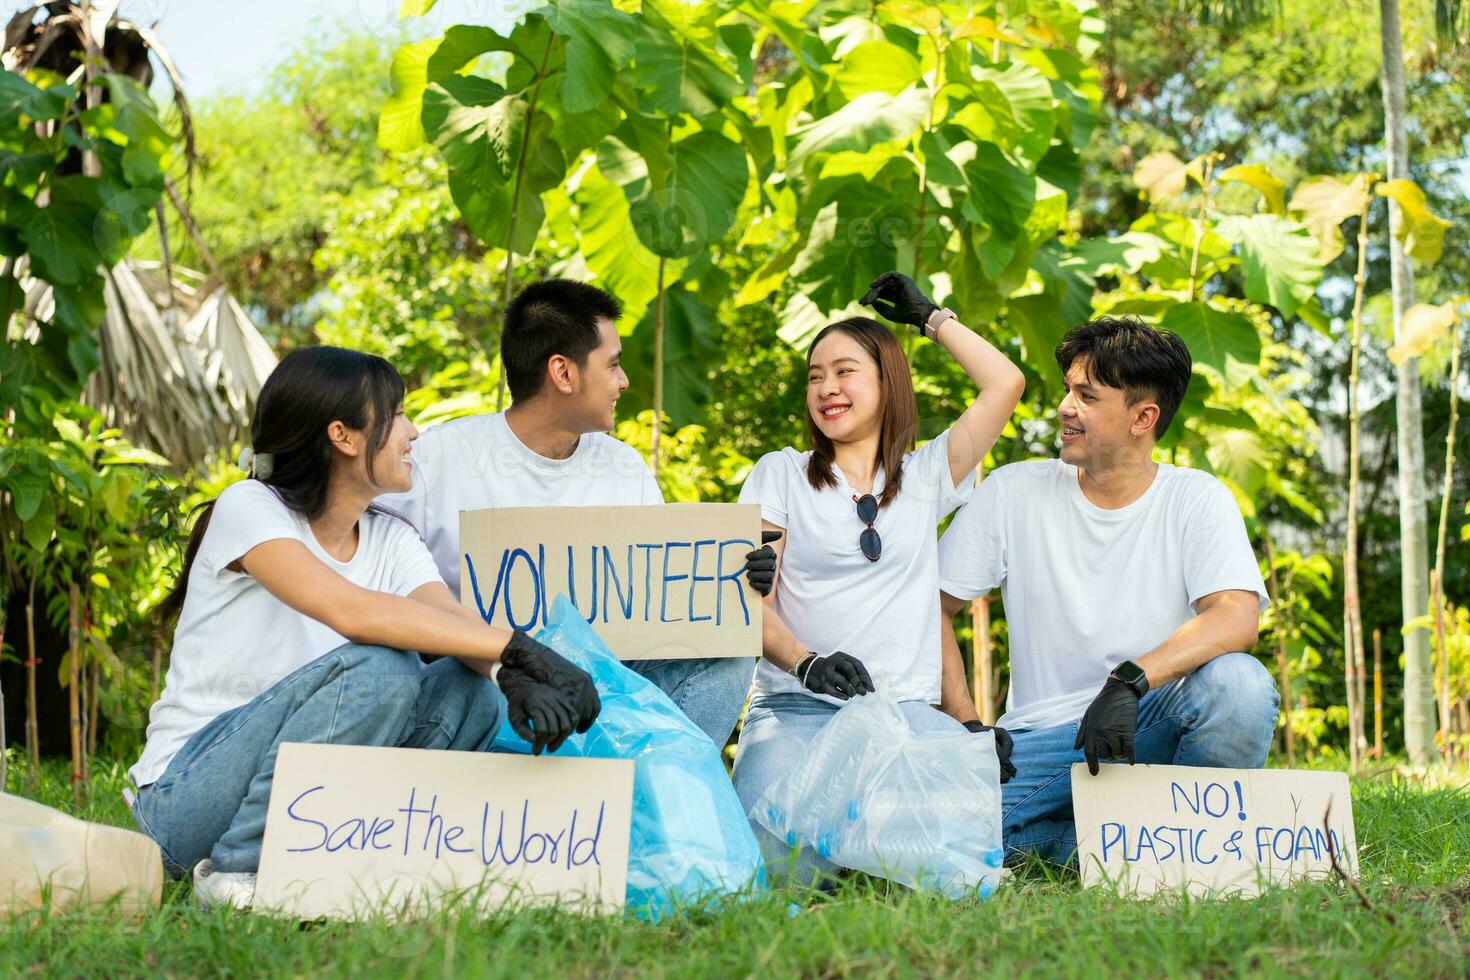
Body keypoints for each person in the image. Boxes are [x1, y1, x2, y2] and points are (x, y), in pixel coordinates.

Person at [128, 346, 601, 910]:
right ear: (344, 436)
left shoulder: (390, 538)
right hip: (186, 804)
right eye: (397, 413)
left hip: (296, 800)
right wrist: (520, 649)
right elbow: (351, 611)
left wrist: (508, 673)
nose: (414, 431)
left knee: (469, 689)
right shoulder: (249, 508)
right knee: (382, 667)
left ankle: (377, 858)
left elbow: (446, 621)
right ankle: (236, 871)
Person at [937, 315, 1278, 864]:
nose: (1065, 407)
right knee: (933, 826)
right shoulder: (1014, 490)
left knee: (1241, 688)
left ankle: (1174, 845)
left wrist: (1128, 683)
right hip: (1043, 744)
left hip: (1147, 721)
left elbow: (1236, 617)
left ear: (1143, 417)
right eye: (1068, 390)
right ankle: (1125, 845)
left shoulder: (1197, 498)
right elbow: (934, 608)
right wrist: (967, 728)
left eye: (1087, 396)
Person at [379, 279, 774, 749]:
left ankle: (646, 801)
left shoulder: (623, 467)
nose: (623, 381)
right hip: (483, 685)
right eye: (613, 364)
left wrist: (730, 580)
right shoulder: (434, 461)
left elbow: (666, 607)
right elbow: (380, 593)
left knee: (725, 659)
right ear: (563, 374)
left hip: (602, 687)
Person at [731, 272, 1026, 884]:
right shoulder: (780, 474)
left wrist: (929, 319)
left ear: (887, 383)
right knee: (780, 876)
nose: (826, 388)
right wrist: (807, 662)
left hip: (902, 717)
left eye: (844, 372)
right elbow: (746, 601)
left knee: (953, 876)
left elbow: (1005, 383)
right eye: (815, 376)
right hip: (796, 712)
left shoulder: (926, 477)